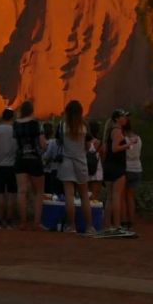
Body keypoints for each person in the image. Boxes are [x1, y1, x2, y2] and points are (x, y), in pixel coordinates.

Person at [57, 100, 92, 234]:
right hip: (81, 162)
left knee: (69, 196)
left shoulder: (62, 126)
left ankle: (71, 226)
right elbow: (88, 146)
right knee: (84, 195)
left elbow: (58, 142)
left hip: (66, 162)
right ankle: (89, 227)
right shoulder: (84, 127)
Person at [12, 100, 47, 231]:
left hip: (20, 159)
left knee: (22, 191)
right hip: (34, 159)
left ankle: (23, 223)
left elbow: (16, 143)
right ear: (32, 110)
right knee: (38, 192)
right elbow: (43, 144)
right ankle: (36, 223)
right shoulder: (37, 123)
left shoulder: (15, 124)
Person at [102, 109, 135, 234]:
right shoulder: (116, 131)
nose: (125, 119)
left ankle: (107, 225)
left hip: (111, 166)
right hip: (117, 167)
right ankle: (116, 226)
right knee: (116, 196)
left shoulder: (113, 130)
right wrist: (129, 144)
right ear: (117, 119)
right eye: (123, 117)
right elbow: (115, 148)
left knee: (110, 197)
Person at [123, 118, 142, 231]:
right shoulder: (139, 138)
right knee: (131, 197)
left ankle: (124, 222)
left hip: (126, 168)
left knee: (123, 197)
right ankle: (132, 222)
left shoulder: (124, 139)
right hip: (137, 169)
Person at [41, 122, 63, 196]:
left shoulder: (52, 142)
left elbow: (46, 156)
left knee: (52, 193)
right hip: (66, 171)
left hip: (53, 170)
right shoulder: (69, 143)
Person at [86, 119, 104, 202]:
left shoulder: (84, 142)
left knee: (85, 197)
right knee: (95, 198)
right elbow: (103, 157)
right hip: (97, 172)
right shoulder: (100, 143)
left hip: (85, 171)